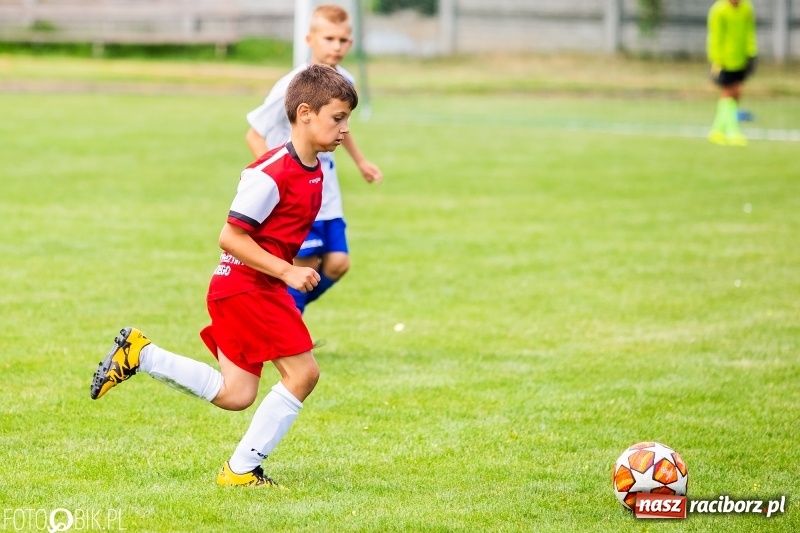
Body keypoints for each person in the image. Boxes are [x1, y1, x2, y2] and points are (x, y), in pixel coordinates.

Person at [90, 64, 359, 488]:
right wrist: (287, 270)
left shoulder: (314, 169)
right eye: (338, 118)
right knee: (304, 373)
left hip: (245, 287)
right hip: (247, 287)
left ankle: (142, 354)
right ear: (304, 113)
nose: (345, 129)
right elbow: (230, 237)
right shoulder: (270, 172)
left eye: (347, 119)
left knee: (237, 394)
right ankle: (240, 471)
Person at [245, 4, 382, 315]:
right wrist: (278, 180)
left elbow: (338, 127)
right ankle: (290, 332)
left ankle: (280, 312)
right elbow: (254, 134)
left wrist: (360, 162)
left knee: (337, 263)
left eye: (343, 40)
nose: (337, 46)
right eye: (329, 38)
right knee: (303, 264)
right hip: (297, 191)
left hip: (327, 191)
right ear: (310, 39)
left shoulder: (343, 78)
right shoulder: (291, 85)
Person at [707, 0, 758, 146]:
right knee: (728, 93)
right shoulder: (718, 10)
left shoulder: (746, 8)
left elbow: (750, 32)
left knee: (736, 94)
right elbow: (715, 38)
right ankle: (732, 131)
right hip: (724, 61)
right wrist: (716, 61)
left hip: (741, 59)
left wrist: (751, 53)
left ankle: (717, 130)